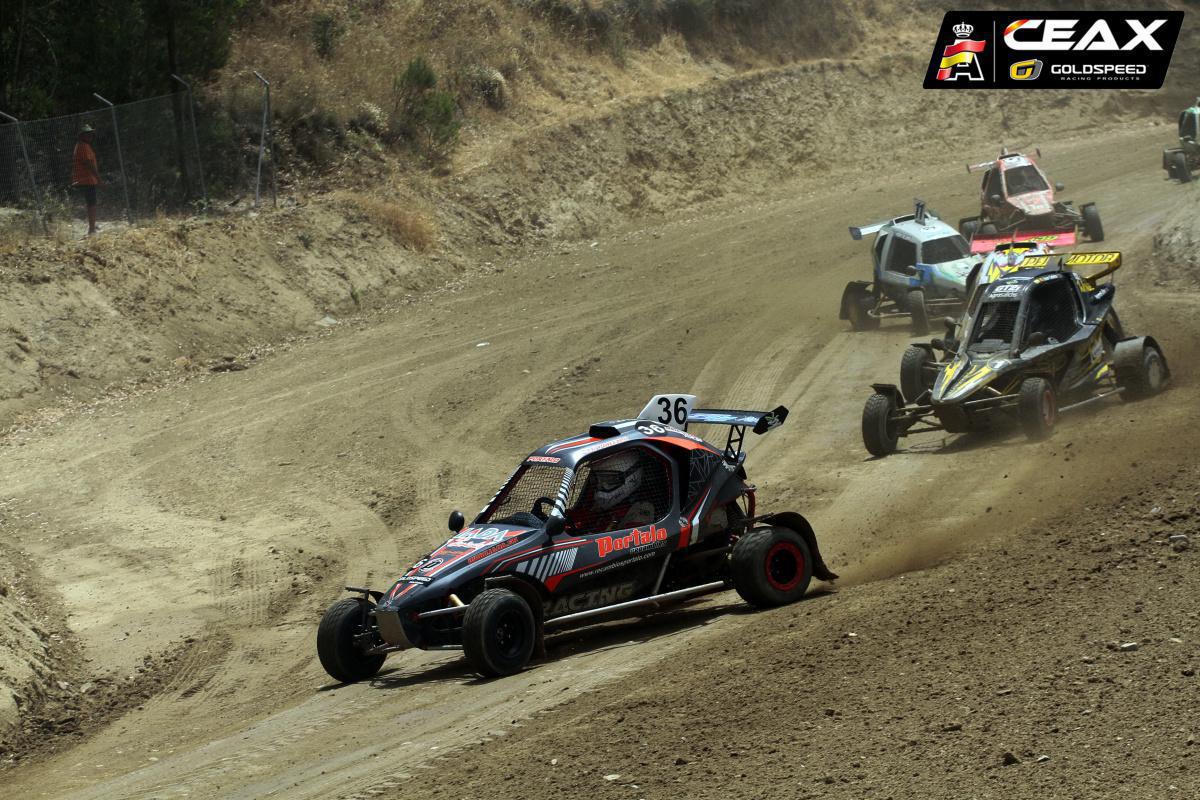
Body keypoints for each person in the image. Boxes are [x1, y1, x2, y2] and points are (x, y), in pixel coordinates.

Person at [568, 451, 658, 533]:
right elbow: (578, 518)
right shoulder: (595, 501)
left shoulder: (642, 509)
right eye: (597, 479)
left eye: (609, 480)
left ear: (632, 479)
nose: (600, 486)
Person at [72, 123, 100, 235]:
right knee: (91, 203)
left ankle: (92, 226)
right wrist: (99, 178)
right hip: (87, 179)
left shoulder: (82, 145)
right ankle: (92, 229)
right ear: (82, 135)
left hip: (87, 179)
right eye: (87, 134)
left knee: (91, 203)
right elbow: (88, 163)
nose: (90, 136)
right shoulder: (83, 146)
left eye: (91, 134)